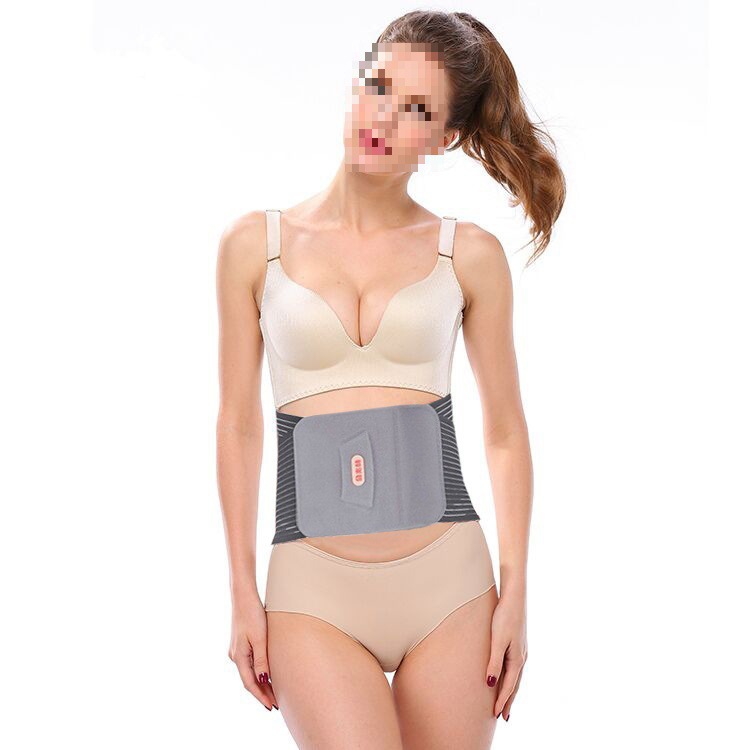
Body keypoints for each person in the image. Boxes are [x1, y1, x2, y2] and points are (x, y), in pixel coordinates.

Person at [215, 10, 565, 748]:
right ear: (358, 81)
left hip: (451, 589)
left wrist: (516, 596)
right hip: (313, 592)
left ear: (445, 138)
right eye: (379, 88)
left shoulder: (467, 256)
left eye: (417, 111)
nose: (384, 119)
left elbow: (505, 432)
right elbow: (238, 425)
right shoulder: (255, 246)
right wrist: (242, 590)